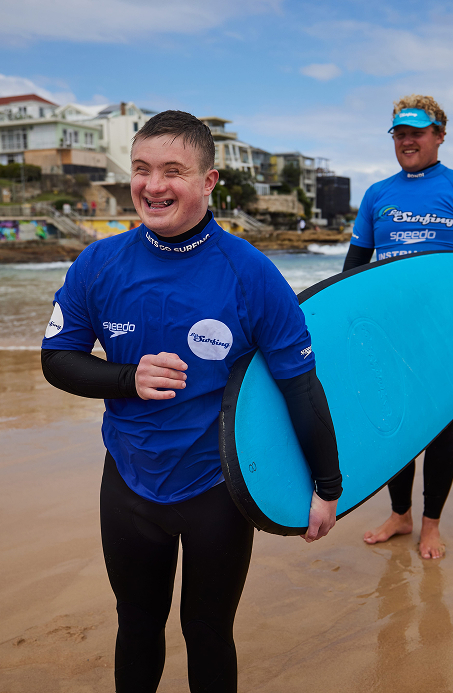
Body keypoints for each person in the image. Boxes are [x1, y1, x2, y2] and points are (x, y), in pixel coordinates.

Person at [41, 110, 342, 692]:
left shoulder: (250, 273)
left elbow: (299, 384)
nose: (153, 186)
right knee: (137, 626)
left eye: (173, 171)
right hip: (129, 482)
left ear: (208, 182)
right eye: (142, 170)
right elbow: (58, 360)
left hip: (218, 489)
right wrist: (127, 379)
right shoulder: (98, 264)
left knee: (207, 631)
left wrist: (325, 487)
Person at [343, 94, 453, 560]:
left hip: (442, 335)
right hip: (388, 333)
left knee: (443, 431)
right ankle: (401, 514)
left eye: (417, 132)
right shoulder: (377, 194)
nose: (408, 140)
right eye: (400, 133)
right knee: (396, 425)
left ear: (439, 136)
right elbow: (352, 270)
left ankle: (430, 525)